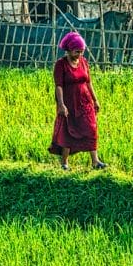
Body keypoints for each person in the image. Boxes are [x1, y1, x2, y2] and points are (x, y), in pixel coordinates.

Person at [48, 31, 107, 170]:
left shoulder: (84, 62)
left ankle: (95, 161)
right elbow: (59, 86)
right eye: (76, 52)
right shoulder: (60, 65)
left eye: (81, 52)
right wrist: (61, 104)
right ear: (68, 50)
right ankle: (64, 163)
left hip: (85, 102)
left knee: (91, 129)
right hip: (69, 103)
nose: (79, 55)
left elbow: (88, 82)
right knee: (68, 131)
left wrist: (95, 100)